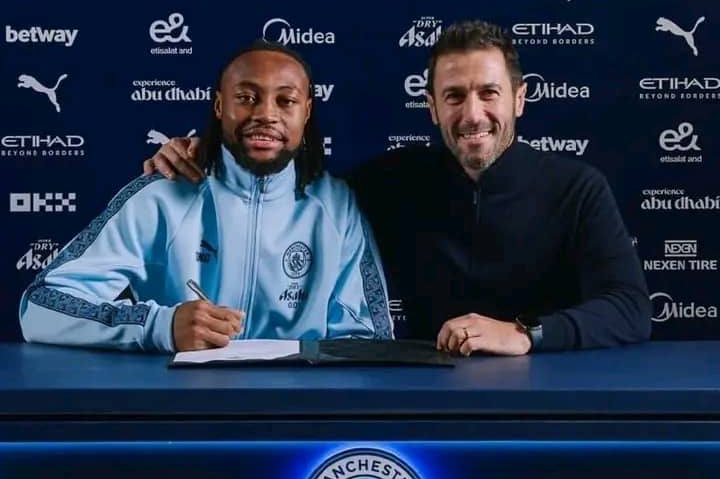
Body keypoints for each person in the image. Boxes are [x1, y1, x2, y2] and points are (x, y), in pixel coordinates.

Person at [142, 21, 651, 356]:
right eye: (454, 96)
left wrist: (524, 334)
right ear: (431, 106)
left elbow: (630, 308)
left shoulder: (577, 188)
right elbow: (283, 180)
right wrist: (204, 153)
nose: (473, 114)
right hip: (427, 396)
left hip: (548, 395)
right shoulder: (388, 183)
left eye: (489, 93)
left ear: (519, 99)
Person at [19, 41, 392, 352]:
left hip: (297, 411)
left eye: (285, 101)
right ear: (219, 106)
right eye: (246, 97)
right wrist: (158, 326)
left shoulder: (336, 205)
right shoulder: (162, 195)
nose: (265, 114)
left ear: (306, 112)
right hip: (181, 407)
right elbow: (40, 307)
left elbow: (370, 340)